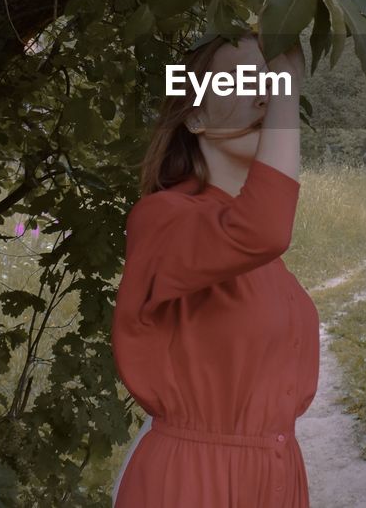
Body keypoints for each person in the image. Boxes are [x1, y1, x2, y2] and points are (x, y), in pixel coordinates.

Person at [111, 31, 318, 506]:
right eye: (243, 80)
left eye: (268, 78)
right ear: (197, 116)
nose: (265, 91)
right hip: (192, 482)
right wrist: (288, 89)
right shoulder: (162, 217)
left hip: (276, 480)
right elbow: (263, 227)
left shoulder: (261, 259)